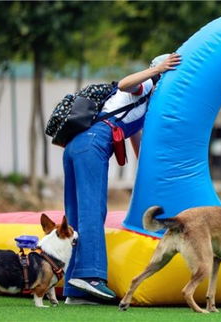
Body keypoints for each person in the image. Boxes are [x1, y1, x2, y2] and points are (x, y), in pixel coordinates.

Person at [63, 53, 181, 304]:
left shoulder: (142, 109)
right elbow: (125, 83)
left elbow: (138, 148)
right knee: (93, 211)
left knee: (75, 214)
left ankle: (75, 291)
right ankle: (91, 276)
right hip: (93, 143)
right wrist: (157, 70)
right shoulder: (146, 86)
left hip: (77, 145)